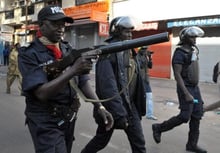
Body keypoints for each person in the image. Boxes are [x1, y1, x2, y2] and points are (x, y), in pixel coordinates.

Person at [18, 5, 113, 153]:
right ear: (42, 25)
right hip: (44, 120)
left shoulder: (67, 49)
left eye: (63, 24)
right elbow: (41, 93)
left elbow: (83, 82)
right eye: (55, 24)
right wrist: (73, 70)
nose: (61, 28)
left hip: (68, 118)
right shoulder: (29, 53)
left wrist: (99, 106)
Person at [81, 16, 147, 153]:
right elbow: (107, 86)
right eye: (125, 32)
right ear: (116, 32)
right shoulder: (108, 52)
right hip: (113, 107)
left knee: (139, 143)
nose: (129, 35)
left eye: (130, 32)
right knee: (101, 141)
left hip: (130, 105)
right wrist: (119, 114)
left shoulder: (129, 50)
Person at [152, 26, 207, 153]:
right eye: (192, 37)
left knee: (197, 116)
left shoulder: (192, 51)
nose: (195, 39)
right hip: (185, 88)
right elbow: (177, 74)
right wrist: (186, 93)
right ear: (185, 38)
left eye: (195, 37)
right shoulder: (179, 53)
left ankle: (192, 145)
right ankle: (159, 128)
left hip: (195, 88)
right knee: (184, 116)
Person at [137, 46, 157, 120]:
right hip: (139, 80)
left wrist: (150, 58)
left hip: (146, 80)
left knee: (149, 96)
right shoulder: (137, 57)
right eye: (144, 49)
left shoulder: (145, 56)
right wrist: (145, 57)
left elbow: (150, 66)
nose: (145, 50)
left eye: (146, 49)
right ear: (140, 50)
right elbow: (140, 66)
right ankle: (137, 112)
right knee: (138, 97)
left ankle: (149, 114)